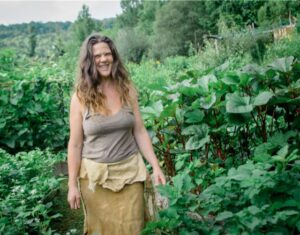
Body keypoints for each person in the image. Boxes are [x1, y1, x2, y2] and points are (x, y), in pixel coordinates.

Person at [67, 33, 166, 235]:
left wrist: (155, 166)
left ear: (114, 56)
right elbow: (75, 144)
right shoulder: (80, 97)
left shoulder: (127, 89)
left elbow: (139, 130)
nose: (104, 59)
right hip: (95, 180)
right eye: (97, 56)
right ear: (89, 61)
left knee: (134, 229)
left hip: (130, 173)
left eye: (107, 54)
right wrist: (72, 185)